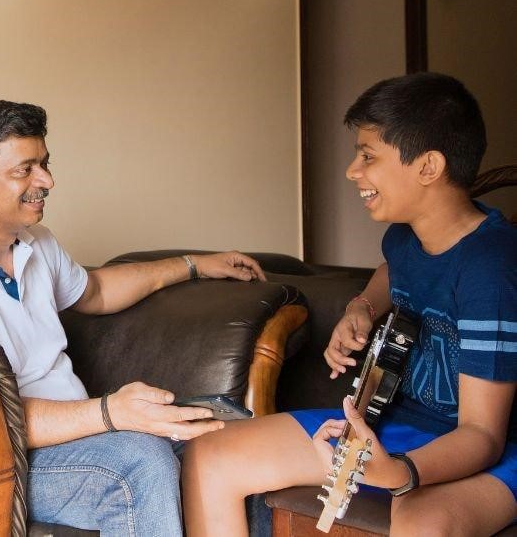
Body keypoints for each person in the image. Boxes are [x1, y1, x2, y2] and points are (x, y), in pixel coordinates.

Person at [0, 99, 266, 534]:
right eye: (24, 170)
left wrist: (193, 264)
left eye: (45, 164)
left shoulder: (34, 242)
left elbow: (98, 291)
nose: (46, 181)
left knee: (228, 438)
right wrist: (111, 413)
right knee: (137, 464)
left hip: (77, 434)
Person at [181, 73, 517, 536]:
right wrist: (361, 307)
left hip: (487, 447)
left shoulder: (489, 267)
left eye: (368, 156)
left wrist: (399, 472)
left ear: (428, 166)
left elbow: (483, 435)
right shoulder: (405, 235)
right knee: (210, 455)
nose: (352, 170)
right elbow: (391, 269)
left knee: (423, 523)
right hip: (400, 422)